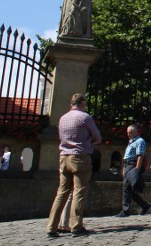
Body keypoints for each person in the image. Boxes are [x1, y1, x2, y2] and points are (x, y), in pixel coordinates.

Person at [46, 93, 101, 237]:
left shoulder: (63, 118)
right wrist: (88, 143)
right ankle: (76, 226)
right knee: (79, 192)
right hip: (80, 157)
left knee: (62, 192)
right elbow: (97, 137)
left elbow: (61, 137)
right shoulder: (85, 117)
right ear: (82, 103)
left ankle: (51, 226)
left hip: (64, 157)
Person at [115, 124, 150, 217]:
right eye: (127, 132)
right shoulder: (131, 141)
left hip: (132, 165)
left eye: (130, 132)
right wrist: (123, 169)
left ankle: (127, 210)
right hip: (128, 165)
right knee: (128, 188)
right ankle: (143, 205)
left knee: (128, 188)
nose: (128, 134)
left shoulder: (140, 141)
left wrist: (137, 169)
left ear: (136, 132)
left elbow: (140, 155)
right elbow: (126, 157)